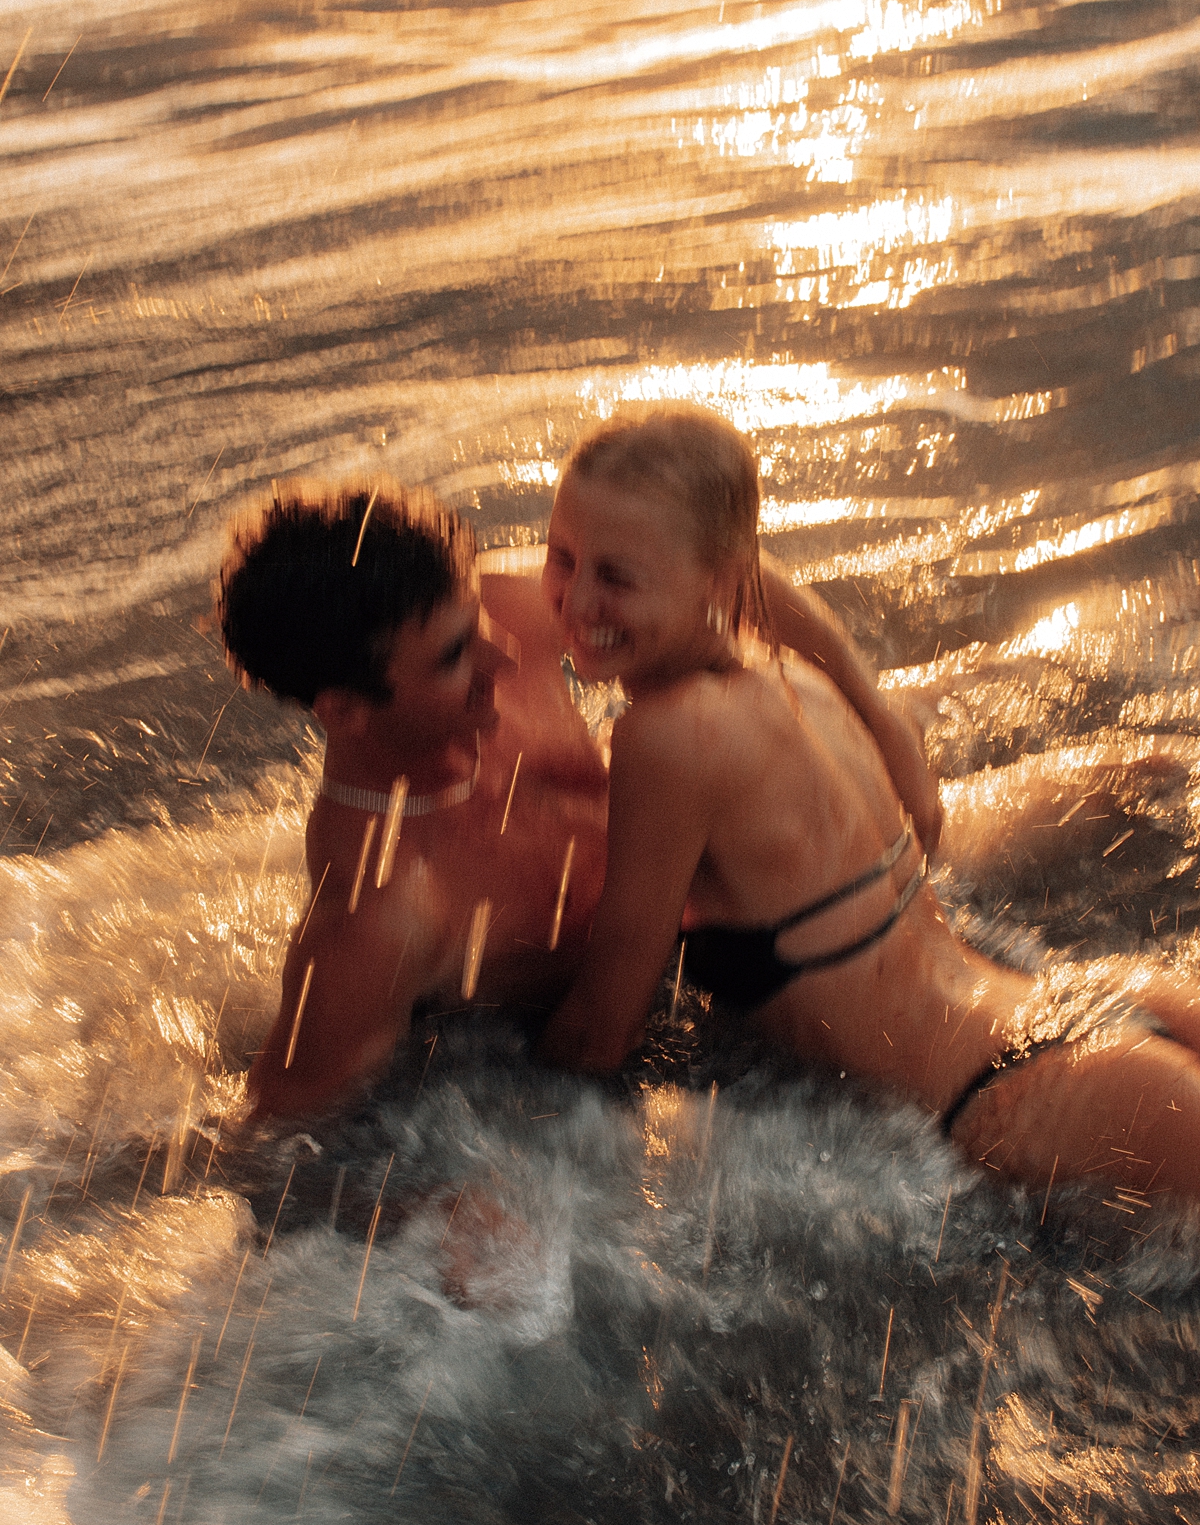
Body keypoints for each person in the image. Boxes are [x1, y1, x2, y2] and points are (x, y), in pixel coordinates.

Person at [537, 408, 1200, 1205]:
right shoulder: (793, 677)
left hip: (1020, 1098)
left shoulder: (666, 737)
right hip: (1081, 1008)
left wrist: (485, 1095)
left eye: (614, 575)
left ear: (717, 580)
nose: (576, 603)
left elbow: (601, 1031)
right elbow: (747, 568)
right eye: (560, 558)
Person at [218, 478, 937, 1120]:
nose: (502, 657)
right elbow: (275, 1141)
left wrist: (882, 718)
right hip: (666, 1040)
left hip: (779, 897)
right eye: (453, 657)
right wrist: (434, 1206)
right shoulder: (380, 919)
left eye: (476, 621)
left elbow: (713, 577)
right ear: (344, 709)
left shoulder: (509, 607)